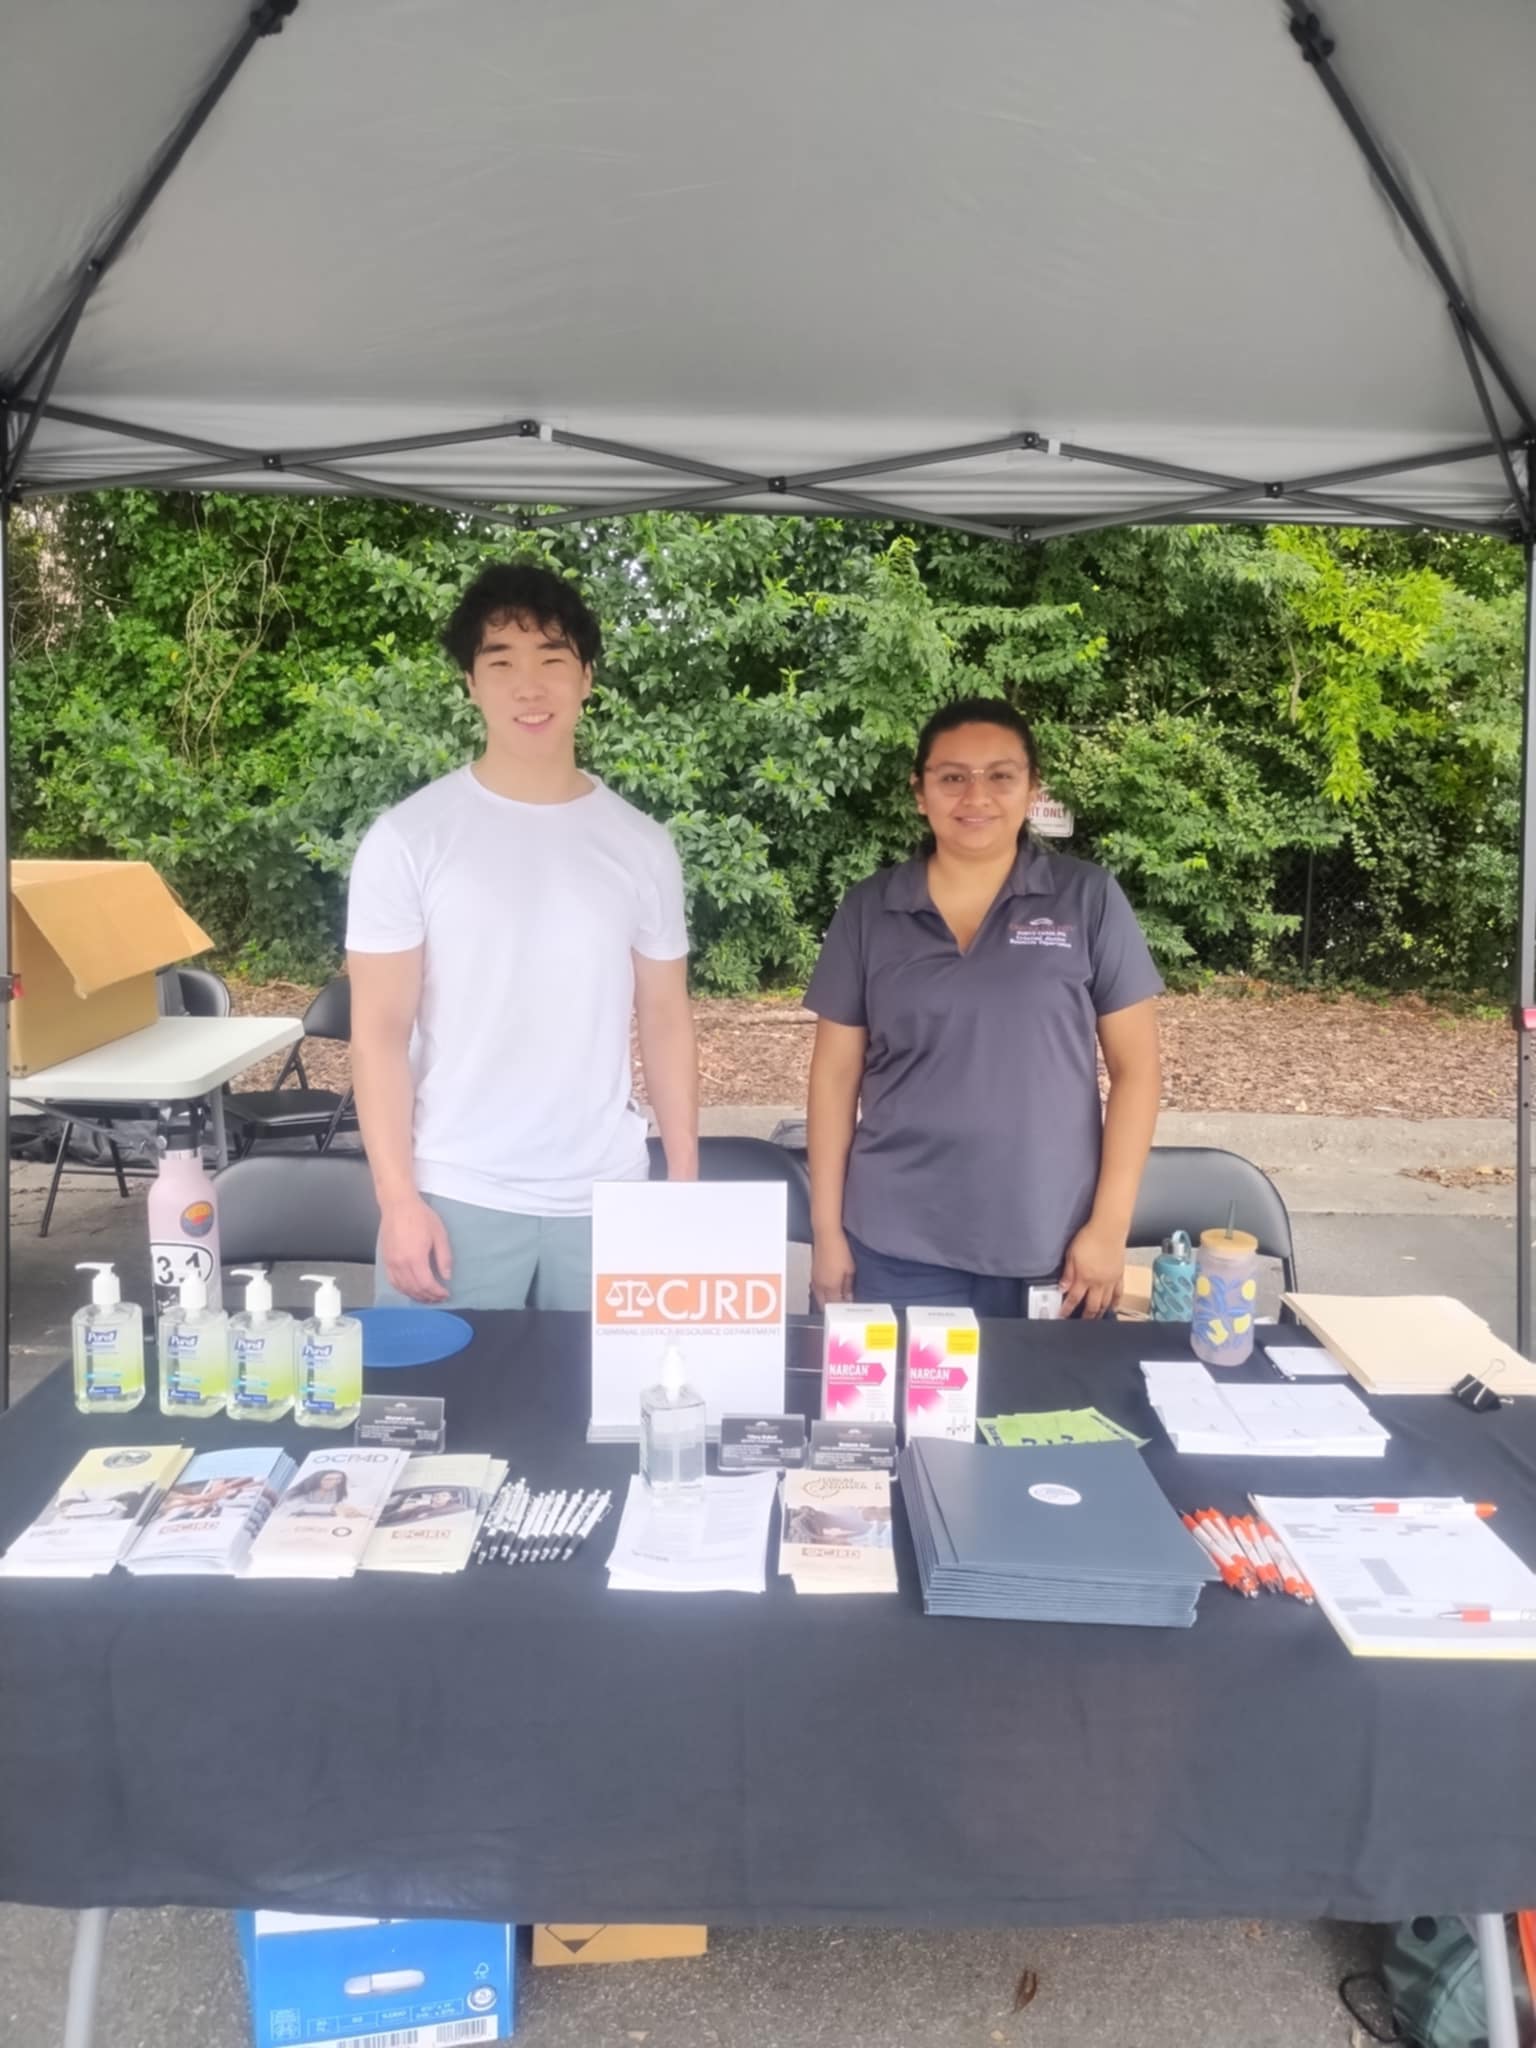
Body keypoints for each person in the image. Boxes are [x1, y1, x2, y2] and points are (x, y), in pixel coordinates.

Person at [347, 562, 697, 1310]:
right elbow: (377, 1033)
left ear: (587, 678)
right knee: (436, 1420)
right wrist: (398, 1200)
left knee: (609, 1424)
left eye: (552, 660)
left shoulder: (641, 844)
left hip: (609, 1196)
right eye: (500, 662)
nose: (528, 687)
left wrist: (685, 1187)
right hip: (452, 1191)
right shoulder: (409, 837)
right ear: (471, 684)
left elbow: (666, 1019)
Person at [805, 696, 1162, 1319]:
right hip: (896, 1242)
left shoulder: (1088, 899)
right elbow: (834, 1079)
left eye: (1001, 776)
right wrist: (827, 1232)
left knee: (1043, 1416)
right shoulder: (869, 910)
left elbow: (1138, 1073)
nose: (976, 798)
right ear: (920, 792)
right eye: (952, 778)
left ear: (1032, 789)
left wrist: (1109, 1228)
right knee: (903, 1418)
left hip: (1050, 1242)